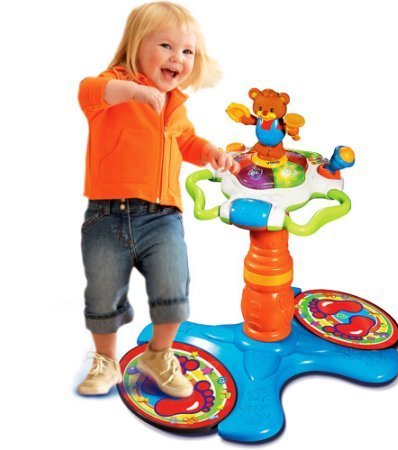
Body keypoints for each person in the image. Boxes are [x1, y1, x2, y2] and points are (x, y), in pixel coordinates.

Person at [77, 1, 239, 397]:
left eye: (187, 51)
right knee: (103, 295)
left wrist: (211, 153)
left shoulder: (176, 104)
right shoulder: (111, 88)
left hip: (162, 217)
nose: (177, 58)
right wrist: (133, 91)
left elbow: (187, 141)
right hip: (106, 216)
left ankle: (159, 353)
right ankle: (106, 360)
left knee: (173, 289)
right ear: (135, 45)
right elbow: (89, 89)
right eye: (166, 46)